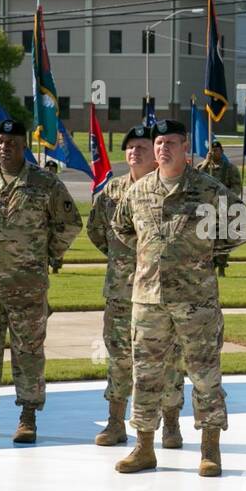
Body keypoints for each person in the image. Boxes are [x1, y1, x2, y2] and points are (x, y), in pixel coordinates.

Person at [111, 119, 246, 477]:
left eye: (170, 142)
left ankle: (210, 449)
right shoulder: (139, 190)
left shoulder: (207, 189)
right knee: (145, 375)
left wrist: (205, 250)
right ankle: (143, 447)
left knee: (205, 375)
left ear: (185, 147)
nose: (162, 149)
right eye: (158, 142)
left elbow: (245, 224)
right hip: (148, 299)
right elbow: (122, 227)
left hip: (196, 301)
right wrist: (152, 254)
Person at [0, 119, 82, 443]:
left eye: (11, 142)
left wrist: (46, 253)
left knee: (28, 351)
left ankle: (28, 417)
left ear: (23, 145)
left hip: (28, 284)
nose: (4, 147)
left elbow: (70, 222)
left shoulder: (44, 183)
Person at [85, 124, 185, 448]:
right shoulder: (111, 194)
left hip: (161, 292)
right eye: (130, 148)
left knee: (168, 359)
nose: (134, 152)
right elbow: (97, 232)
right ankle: (115, 422)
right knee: (119, 358)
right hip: (121, 292)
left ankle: (170, 424)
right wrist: (124, 262)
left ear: (155, 155)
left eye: (142, 147)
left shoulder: (171, 190)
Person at [197, 140, 243, 276]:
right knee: (206, 238)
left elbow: (237, 186)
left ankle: (222, 266)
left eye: (217, 150)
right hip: (207, 208)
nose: (214, 153)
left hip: (223, 207)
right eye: (211, 150)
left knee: (223, 238)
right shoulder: (203, 167)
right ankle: (209, 265)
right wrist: (206, 163)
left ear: (222, 152)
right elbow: (195, 179)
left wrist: (228, 196)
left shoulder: (229, 168)